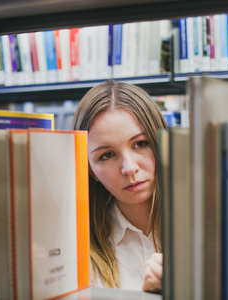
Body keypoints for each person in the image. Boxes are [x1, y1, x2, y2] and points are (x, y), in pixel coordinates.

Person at [71, 80, 167, 292]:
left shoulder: (206, 228)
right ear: (88, 169)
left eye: (140, 144)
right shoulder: (77, 253)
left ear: (162, 142)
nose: (129, 168)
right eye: (107, 155)